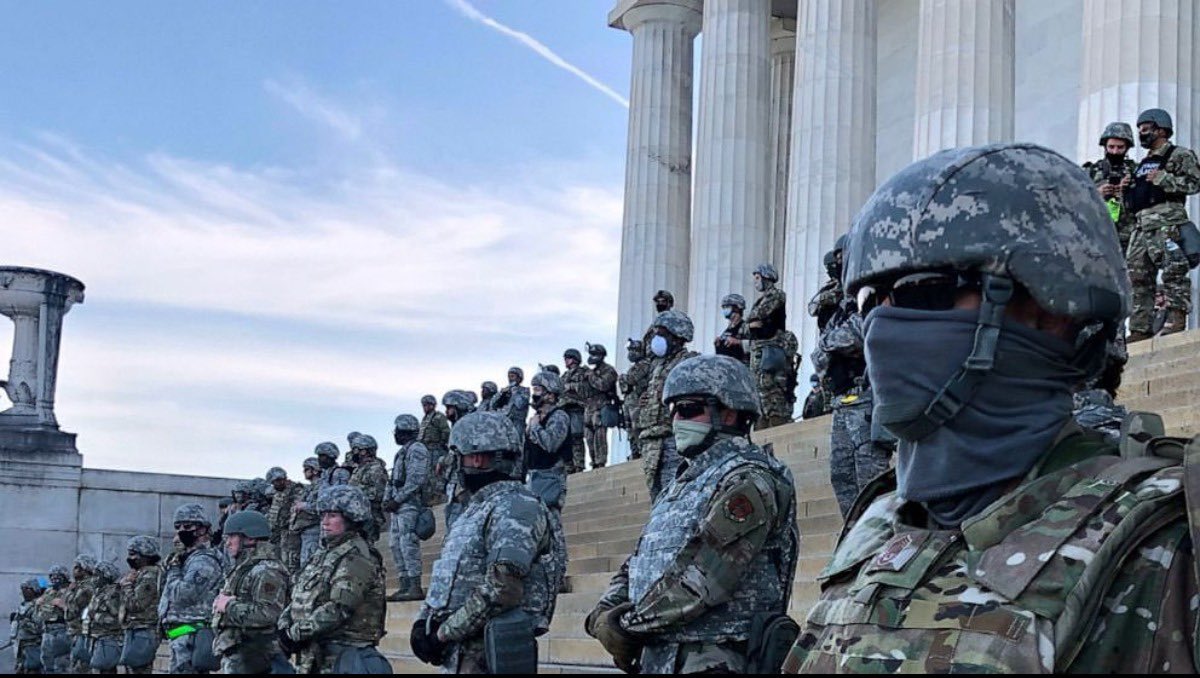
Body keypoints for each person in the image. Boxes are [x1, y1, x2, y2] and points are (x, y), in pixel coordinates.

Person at [782, 142, 1200, 673]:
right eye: (869, 300)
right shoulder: (878, 524)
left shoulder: (1169, 538)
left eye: (922, 290)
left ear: (1054, 308)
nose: (880, 327)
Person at [586, 354, 799, 674]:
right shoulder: (681, 484)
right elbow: (639, 561)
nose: (675, 422)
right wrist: (603, 612)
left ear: (728, 412)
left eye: (687, 410)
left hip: (714, 658)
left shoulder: (749, 479)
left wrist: (628, 626)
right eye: (672, 411)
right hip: (660, 657)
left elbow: (705, 576)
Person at [412, 412, 556, 674]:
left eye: (457, 457)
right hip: (459, 654)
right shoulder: (476, 509)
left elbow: (503, 588)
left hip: (488, 656)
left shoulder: (516, 506)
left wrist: (443, 634)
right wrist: (424, 622)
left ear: (476, 458)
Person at [278, 485, 389, 674]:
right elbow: (300, 594)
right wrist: (284, 625)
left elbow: (339, 608)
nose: (324, 522)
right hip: (315, 655)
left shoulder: (357, 557)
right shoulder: (325, 554)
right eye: (323, 516)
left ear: (351, 518)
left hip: (344, 656)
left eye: (332, 516)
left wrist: (294, 634)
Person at [814, 287, 892, 518]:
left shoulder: (871, 298)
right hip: (841, 403)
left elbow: (859, 333)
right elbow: (818, 353)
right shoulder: (839, 312)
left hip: (865, 400)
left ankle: (880, 536)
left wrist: (830, 342)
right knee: (841, 475)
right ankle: (854, 536)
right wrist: (831, 342)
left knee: (870, 478)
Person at [1127, 108, 1200, 340]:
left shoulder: (1179, 155)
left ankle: (1176, 321)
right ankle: (1140, 328)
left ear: (1161, 129)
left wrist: (1163, 179)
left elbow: (1194, 183)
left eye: (1145, 129)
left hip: (1167, 223)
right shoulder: (1143, 163)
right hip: (1141, 226)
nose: (1141, 134)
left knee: (1173, 271)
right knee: (1137, 278)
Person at [212, 510, 293, 674]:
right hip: (243, 654)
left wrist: (228, 606)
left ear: (249, 538)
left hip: (255, 655)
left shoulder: (267, 570)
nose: (227, 543)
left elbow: (267, 614)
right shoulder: (246, 567)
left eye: (231, 537)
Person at [637, 310, 698, 502]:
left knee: (675, 495)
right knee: (657, 498)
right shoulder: (658, 366)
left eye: (661, 334)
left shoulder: (688, 362)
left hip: (674, 439)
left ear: (677, 336)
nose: (656, 339)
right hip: (652, 441)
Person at [159, 503, 226, 674]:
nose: (181, 531)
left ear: (202, 529)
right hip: (181, 634)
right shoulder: (187, 558)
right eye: (178, 527)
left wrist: (174, 569)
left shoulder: (204, 560)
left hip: (193, 634)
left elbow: (184, 594)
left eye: (187, 526)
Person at [733, 263, 797, 429]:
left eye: (757, 277)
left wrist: (751, 324)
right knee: (760, 396)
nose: (755, 282)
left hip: (771, 353)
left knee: (773, 396)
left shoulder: (776, 295)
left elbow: (757, 315)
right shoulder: (761, 299)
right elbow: (745, 328)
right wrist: (751, 325)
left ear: (766, 277)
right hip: (760, 353)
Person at [525, 371, 572, 595]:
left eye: (539, 390)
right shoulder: (536, 419)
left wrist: (535, 428)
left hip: (551, 478)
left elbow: (551, 444)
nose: (535, 394)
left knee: (553, 529)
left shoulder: (559, 416)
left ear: (551, 394)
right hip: (534, 478)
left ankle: (559, 575)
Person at [383, 413, 431, 602]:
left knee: (407, 543)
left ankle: (414, 585)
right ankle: (404, 584)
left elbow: (416, 479)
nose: (394, 433)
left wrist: (398, 498)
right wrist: (388, 499)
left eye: (397, 430)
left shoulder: (417, 449)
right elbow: (393, 479)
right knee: (395, 544)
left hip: (410, 504)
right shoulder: (402, 452)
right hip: (398, 506)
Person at [1083, 121, 1139, 251]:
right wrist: (1096, 193)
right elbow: (1074, 199)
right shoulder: (1090, 171)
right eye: (1111, 147)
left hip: (1129, 238)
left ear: (1127, 148)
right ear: (1105, 147)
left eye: (1120, 147)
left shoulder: (1135, 171)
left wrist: (1130, 189)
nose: (1115, 151)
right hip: (1097, 235)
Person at [119, 537, 162, 674]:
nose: (130, 558)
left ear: (145, 555)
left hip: (144, 630)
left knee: (139, 668)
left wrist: (126, 585)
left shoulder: (149, 575)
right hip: (136, 629)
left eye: (133, 554)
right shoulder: (140, 574)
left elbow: (136, 604)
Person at [441, 390, 478, 530]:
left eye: (449, 408)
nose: (447, 412)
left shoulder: (471, 425)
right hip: (455, 483)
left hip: (466, 484)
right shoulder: (458, 426)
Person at [347, 434, 389, 546]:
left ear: (365, 451)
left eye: (356, 450)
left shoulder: (376, 468)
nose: (353, 453)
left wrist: (356, 492)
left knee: (368, 549)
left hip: (370, 516)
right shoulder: (359, 469)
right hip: (358, 514)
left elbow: (379, 494)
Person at [583, 343, 620, 470]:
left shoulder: (608, 370)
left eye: (594, 354)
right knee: (588, 437)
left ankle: (600, 463)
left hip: (601, 407)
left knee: (600, 435)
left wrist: (591, 376)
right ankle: (593, 462)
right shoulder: (591, 372)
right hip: (589, 408)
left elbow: (603, 385)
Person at [84, 564, 122, 675]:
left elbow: (117, 618)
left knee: (105, 668)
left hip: (109, 638)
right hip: (95, 637)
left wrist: (96, 617)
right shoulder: (98, 593)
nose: (94, 578)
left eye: (97, 575)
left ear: (106, 576)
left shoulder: (113, 593)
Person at [267, 466, 305, 574]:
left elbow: (295, 512)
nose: (274, 485)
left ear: (282, 479)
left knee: (289, 563)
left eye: (275, 482)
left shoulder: (296, 490)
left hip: (290, 533)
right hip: (277, 533)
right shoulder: (278, 492)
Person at [618, 339, 652, 460]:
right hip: (630, 401)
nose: (631, 353)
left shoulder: (645, 364)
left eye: (634, 350)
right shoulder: (635, 366)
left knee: (638, 427)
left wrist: (623, 378)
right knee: (630, 430)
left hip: (639, 401)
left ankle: (642, 451)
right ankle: (635, 452)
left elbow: (631, 379)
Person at [64, 554, 97, 674]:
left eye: (77, 567)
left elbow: (73, 608)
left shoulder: (86, 587)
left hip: (82, 632)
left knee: (81, 667)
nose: (74, 570)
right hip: (76, 632)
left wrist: (70, 592)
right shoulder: (80, 585)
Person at [33, 565, 70, 674]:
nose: (54, 579)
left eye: (57, 576)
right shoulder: (48, 591)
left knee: (61, 662)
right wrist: (38, 604)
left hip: (62, 629)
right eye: (52, 576)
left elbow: (76, 612)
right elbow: (41, 610)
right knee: (46, 660)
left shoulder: (69, 591)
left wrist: (64, 606)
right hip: (47, 630)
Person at [560, 348, 591, 473]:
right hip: (565, 409)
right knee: (566, 440)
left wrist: (571, 387)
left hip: (577, 408)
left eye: (567, 358)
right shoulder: (565, 375)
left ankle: (579, 464)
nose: (565, 361)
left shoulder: (584, 372)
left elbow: (586, 388)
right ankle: (569, 466)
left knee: (577, 437)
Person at [291, 457, 324, 571]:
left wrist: (304, 506)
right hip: (304, 531)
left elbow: (323, 506)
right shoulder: (309, 488)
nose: (304, 472)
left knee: (309, 566)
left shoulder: (322, 486)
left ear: (315, 470)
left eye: (306, 469)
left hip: (313, 531)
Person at [13, 578, 44, 675]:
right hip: (21, 646)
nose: (24, 592)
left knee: (33, 669)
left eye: (27, 589)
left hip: (33, 646)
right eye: (23, 589)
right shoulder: (23, 605)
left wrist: (25, 622)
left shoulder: (38, 606)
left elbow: (39, 627)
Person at [492, 367, 531, 440]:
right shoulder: (505, 390)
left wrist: (514, 392)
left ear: (519, 378)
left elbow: (520, 404)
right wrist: (500, 394)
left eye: (512, 376)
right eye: (509, 376)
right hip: (503, 422)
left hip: (517, 423)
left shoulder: (524, 391)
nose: (510, 379)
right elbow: (493, 405)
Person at [714, 293, 749, 365]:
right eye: (723, 307)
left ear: (736, 308)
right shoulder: (728, 329)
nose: (724, 310)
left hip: (740, 368)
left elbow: (755, 345)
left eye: (727, 307)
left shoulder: (746, 327)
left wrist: (739, 342)